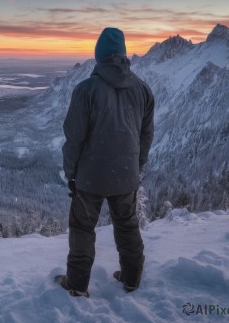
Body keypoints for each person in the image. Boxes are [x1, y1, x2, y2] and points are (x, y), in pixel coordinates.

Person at [55, 27, 154, 297]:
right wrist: (137, 166)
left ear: (99, 56)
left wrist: (71, 172)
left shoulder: (86, 90)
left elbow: (73, 138)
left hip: (90, 177)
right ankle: (132, 277)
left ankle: (76, 284)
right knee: (128, 225)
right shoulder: (143, 90)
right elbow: (146, 135)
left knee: (82, 228)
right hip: (126, 175)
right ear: (122, 55)